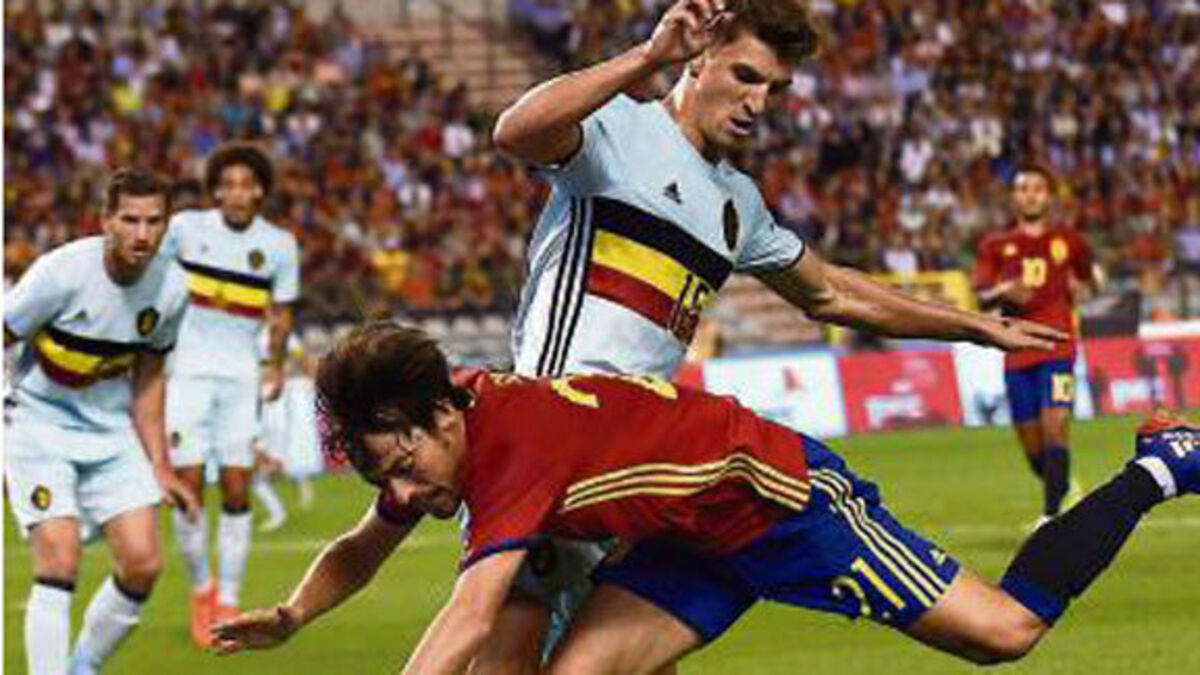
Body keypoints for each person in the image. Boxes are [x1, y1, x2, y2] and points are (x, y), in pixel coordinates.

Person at [482, 0, 1065, 668]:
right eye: (746, 76)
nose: (759, 103)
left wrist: (972, 325)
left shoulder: (738, 204)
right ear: (699, 58)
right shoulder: (618, 129)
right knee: (508, 660)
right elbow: (516, 132)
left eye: (775, 89)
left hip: (638, 468)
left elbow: (830, 291)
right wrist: (648, 55)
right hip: (549, 454)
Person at [212, 323, 1199, 673]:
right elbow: (365, 540)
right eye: (380, 473)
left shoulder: (510, 455)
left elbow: (468, 618)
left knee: (1005, 633)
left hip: (784, 502)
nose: (399, 490)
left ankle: (1159, 464)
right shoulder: (442, 418)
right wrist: (294, 614)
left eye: (401, 465)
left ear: (441, 415)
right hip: (685, 539)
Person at [3, 168, 198, 674]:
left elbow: (149, 378)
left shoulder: (172, 289)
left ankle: (82, 666)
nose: (142, 234)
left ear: (167, 224)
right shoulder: (60, 273)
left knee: (143, 563)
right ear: (105, 220)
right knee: (59, 559)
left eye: (154, 221)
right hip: (36, 423)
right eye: (130, 220)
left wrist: (160, 465)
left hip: (110, 430)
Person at [162, 142, 301, 646]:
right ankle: (202, 588)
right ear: (216, 191)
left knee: (238, 489)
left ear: (260, 191)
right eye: (229, 185)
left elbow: (281, 316)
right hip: (187, 374)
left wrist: (276, 365)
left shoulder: (279, 245)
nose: (238, 193)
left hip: (242, 377)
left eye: (247, 184)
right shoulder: (185, 229)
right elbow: (151, 281)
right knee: (188, 488)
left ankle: (229, 598)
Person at [975, 164, 1103, 526]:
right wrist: (1004, 290)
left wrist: (1085, 289)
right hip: (1016, 353)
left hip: (1058, 348)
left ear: (1048, 197)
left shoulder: (1070, 241)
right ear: (1013, 197)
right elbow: (981, 296)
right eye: (1023, 188)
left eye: (1037, 188)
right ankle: (1065, 487)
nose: (1030, 195)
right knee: (1033, 448)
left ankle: (1050, 517)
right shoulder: (995, 245)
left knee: (1055, 427)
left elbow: (1092, 280)